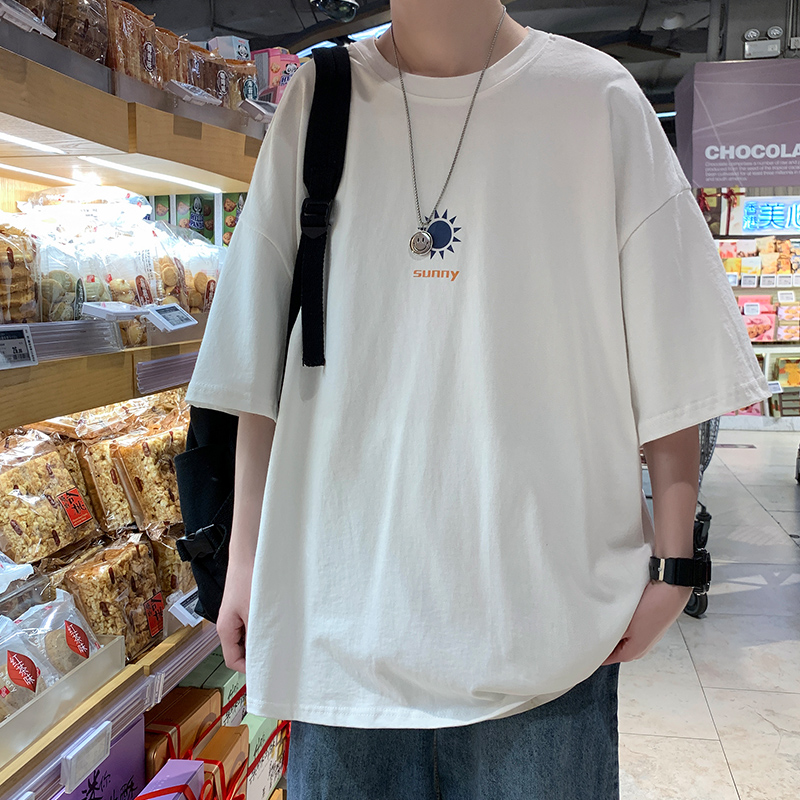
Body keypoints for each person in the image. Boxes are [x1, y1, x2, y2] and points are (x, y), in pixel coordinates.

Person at [186, 0, 769, 796]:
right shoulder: (319, 97)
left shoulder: (595, 97)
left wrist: (676, 564)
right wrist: (246, 560)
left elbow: (676, 350)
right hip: (344, 619)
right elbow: (258, 363)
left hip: (543, 632)